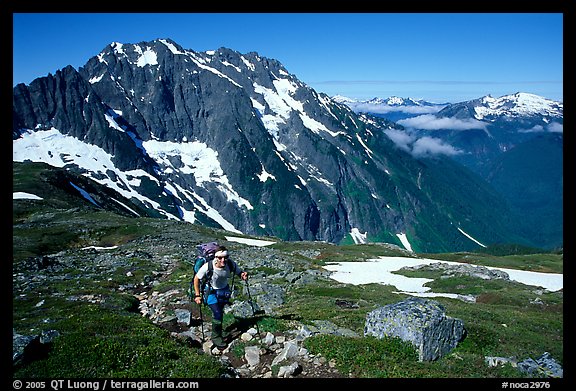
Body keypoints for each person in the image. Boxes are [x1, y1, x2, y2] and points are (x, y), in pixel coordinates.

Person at [193, 246, 248, 349]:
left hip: (224, 291)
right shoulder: (208, 266)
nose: (223, 260)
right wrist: (197, 295)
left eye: (225, 257)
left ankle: (218, 330)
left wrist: (242, 275)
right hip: (211, 292)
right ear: (215, 257)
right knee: (217, 312)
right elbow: (196, 279)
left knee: (220, 312)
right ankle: (216, 337)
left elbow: (239, 272)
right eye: (220, 258)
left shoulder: (230, 264)